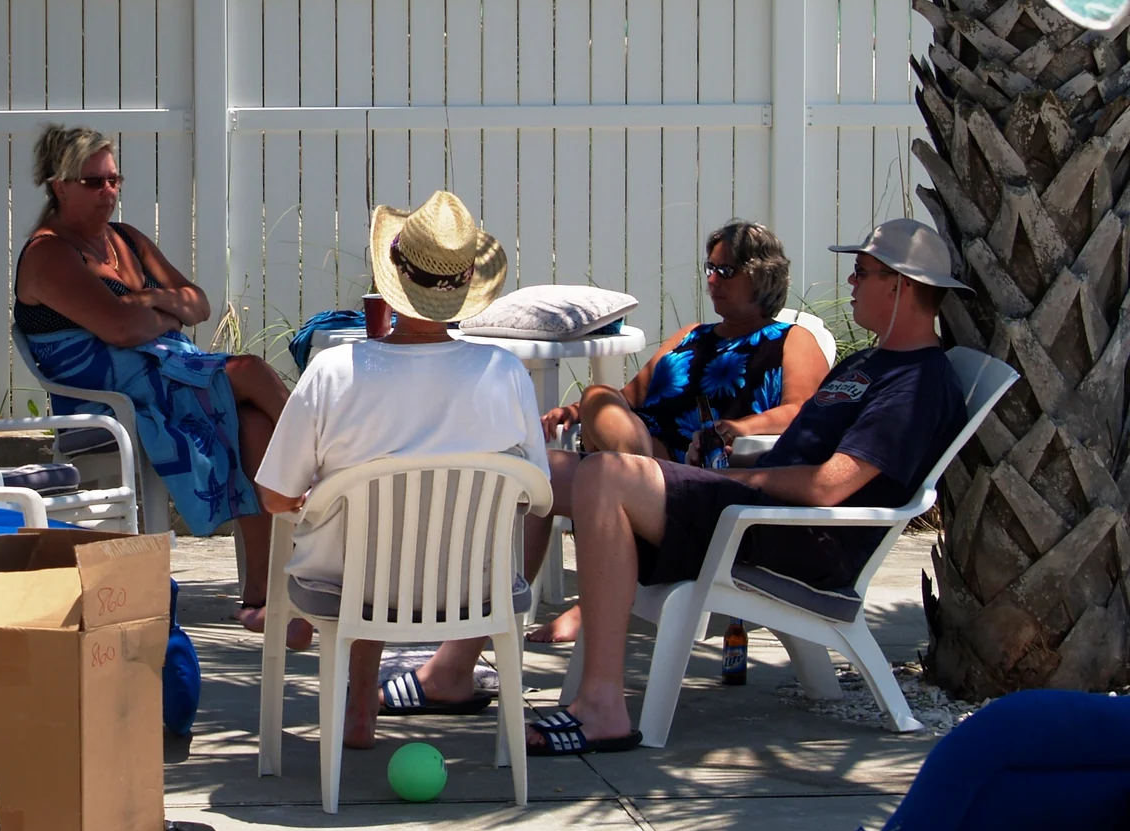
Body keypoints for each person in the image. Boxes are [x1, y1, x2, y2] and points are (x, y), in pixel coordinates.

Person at [526, 218, 969, 756]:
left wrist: (727, 477)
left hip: (795, 538)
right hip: (757, 513)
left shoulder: (918, 383)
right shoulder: (868, 363)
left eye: (861, 271)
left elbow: (830, 487)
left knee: (605, 473)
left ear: (898, 285)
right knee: (540, 471)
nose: (851, 281)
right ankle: (457, 665)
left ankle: (601, 708)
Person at [254, 191, 551, 750]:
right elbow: (535, 495)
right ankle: (366, 705)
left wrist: (321, 497)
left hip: (347, 585)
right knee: (393, 538)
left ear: (389, 276)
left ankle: (357, 709)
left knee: (366, 540)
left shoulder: (334, 371)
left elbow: (273, 496)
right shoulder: (504, 372)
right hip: (471, 588)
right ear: (466, 286)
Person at [14, 125, 297, 639]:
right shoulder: (49, 254)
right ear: (59, 185)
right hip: (111, 397)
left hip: (161, 372)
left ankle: (261, 596)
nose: (108, 191)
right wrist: (163, 314)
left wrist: (149, 303)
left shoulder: (126, 239)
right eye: (94, 182)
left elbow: (199, 303)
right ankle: (327, 468)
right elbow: (120, 330)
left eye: (114, 179)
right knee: (251, 372)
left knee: (254, 424)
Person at [523, 220, 832, 646]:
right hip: (642, 453)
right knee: (544, 467)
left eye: (725, 271)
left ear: (762, 275)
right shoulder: (692, 335)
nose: (712, 279)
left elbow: (803, 411)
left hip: (699, 479)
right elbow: (629, 397)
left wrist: (739, 428)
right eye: (710, 268)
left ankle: (600, 594)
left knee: (601, 434)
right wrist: (575, 411)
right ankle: (503, 611)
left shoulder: (792, 340)